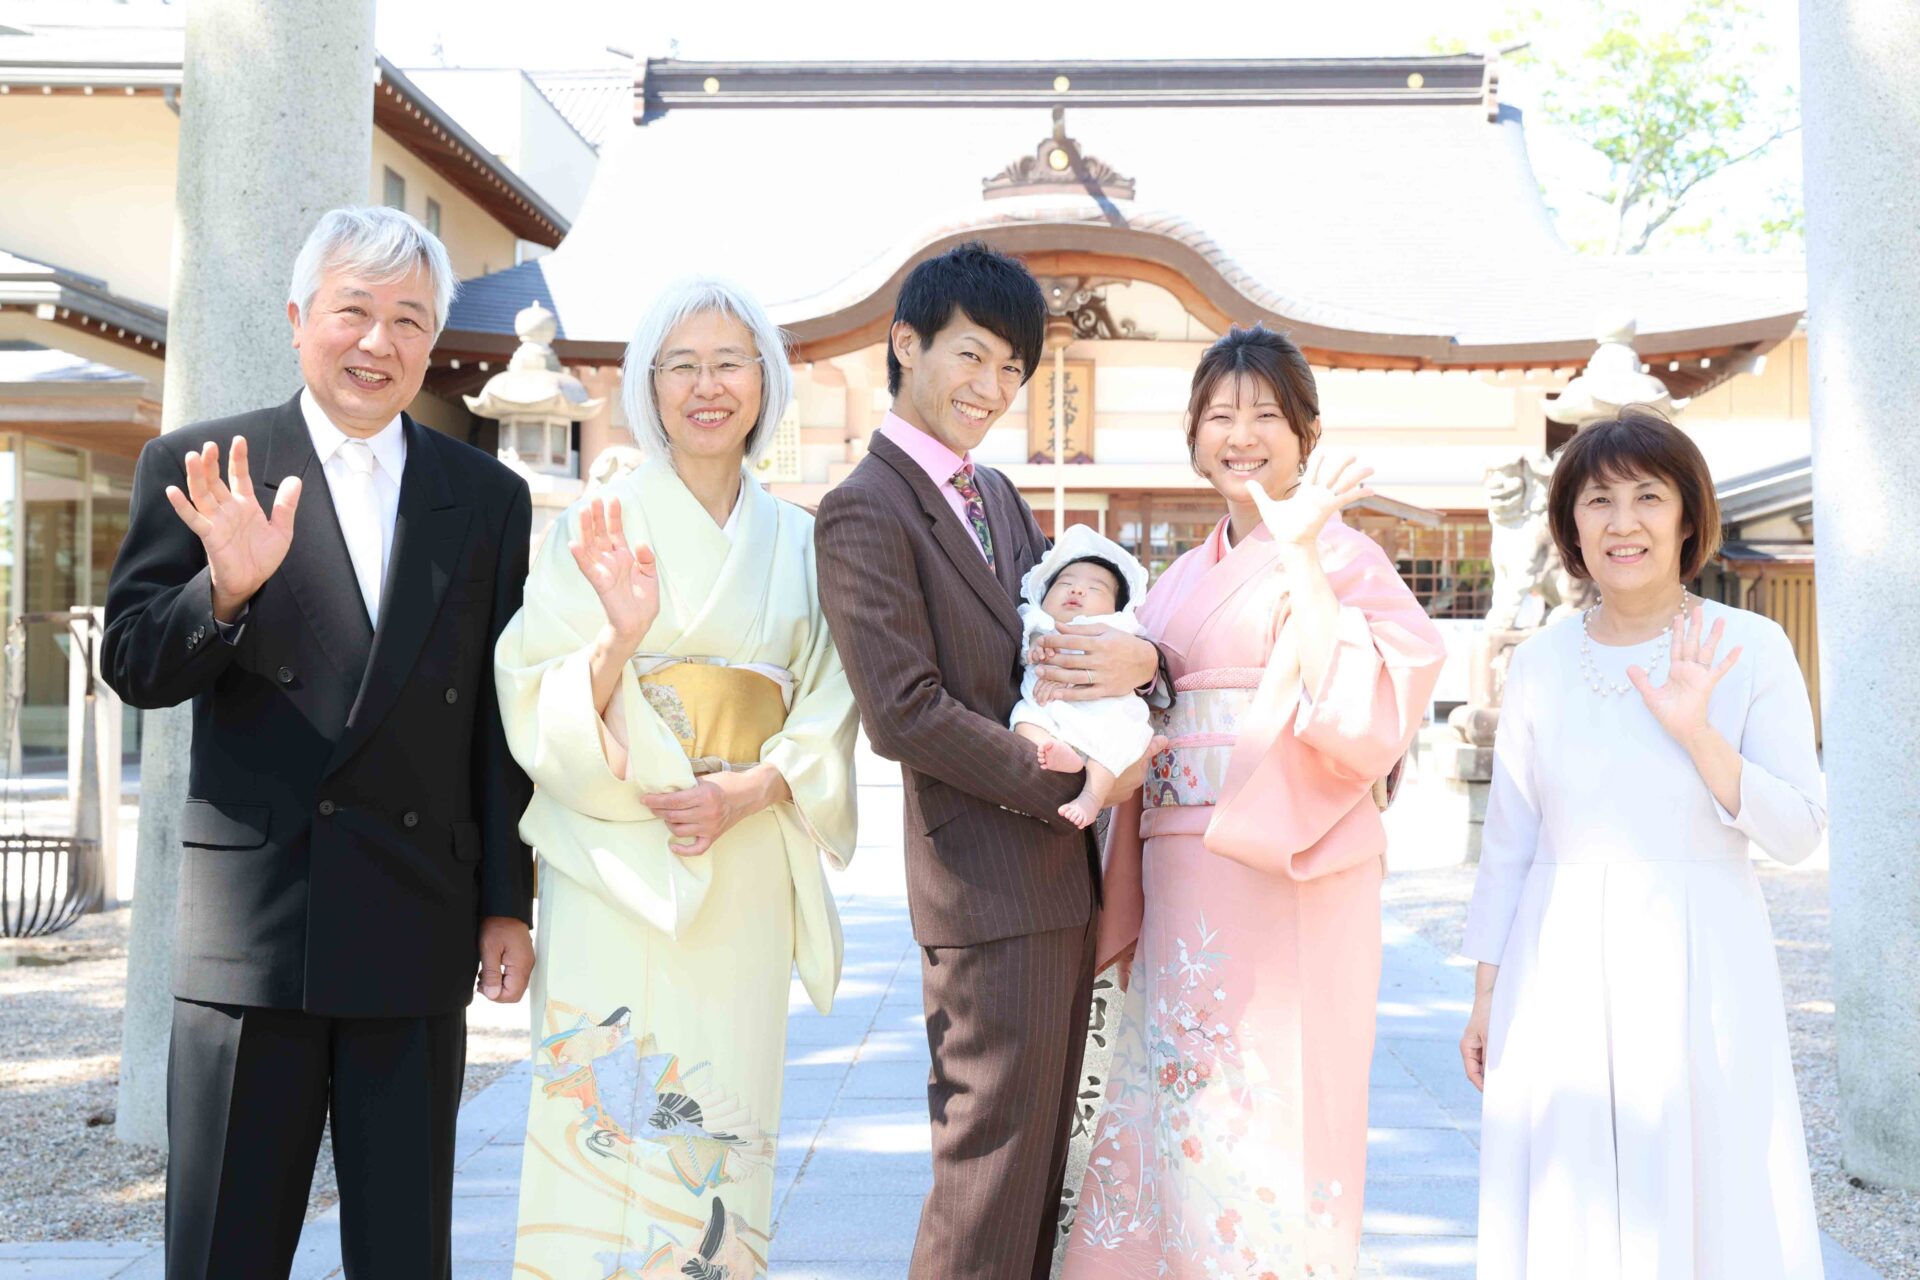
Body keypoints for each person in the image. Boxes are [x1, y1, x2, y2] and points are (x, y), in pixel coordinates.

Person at [101, 206, 534, 1279]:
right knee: (223, 1253)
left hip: (416, 915)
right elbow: (136, 664)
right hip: (255, 932)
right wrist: (226, 585)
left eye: (408, 319)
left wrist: (507, 900)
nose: (377, 342)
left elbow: (495, 711)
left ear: (434, 343)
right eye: (353, 311)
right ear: (300, 319)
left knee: (402, 1252)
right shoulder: (204, 465)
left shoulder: (485, 496)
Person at [1062, 324, 1445, 1279]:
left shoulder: (1345, 554)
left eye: (1266, 415)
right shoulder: (1178, 580)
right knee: (1183, 1096)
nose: (1243, 435)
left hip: (1291, 868)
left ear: (1304, 433)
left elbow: (1366, 715)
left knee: (1281, 1098)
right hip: (1182, 864)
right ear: (1193, 436)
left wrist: (1306, 556)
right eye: (1221, 415)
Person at [494, 277, 858, 1278]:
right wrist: (620, 636)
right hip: (615, 848)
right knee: (608, 1096)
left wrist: (750, 788)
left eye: (730, 361)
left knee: (722, 1106)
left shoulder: (800, 537)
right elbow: (533, 683)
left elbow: (831, 696)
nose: (708, 385)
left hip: (740, 855)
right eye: (682, 364)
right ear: (649, 386)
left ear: (766, 382)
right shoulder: (600, 518)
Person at [814, 242, 1162, 1279]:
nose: (992, 387)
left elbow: (1073, 623)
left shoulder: (998, 496)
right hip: (984, 885)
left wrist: (1144, 661)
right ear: (906, 343)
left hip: (1058, 884)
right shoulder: (863, 508)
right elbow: (905, 711)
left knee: (1040, 1175)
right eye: (973, 355)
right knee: (988, 1178)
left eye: (1014, 369)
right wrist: (1067, 780)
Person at [1457, 409, 1826, 1280]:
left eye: (1648, 497)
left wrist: (1701, 734)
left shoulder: (1751, 645)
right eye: (1598, 501)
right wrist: (1485, 994)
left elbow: (1801, 833)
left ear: (1687, 517)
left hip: (1701, 960)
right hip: (1559, 967)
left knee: (1703, 1191)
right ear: (1571, 527)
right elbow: (1510, 844)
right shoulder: (1543, 662)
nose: (1623, 522)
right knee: (1568, 1188)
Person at [1010, 524, 1163, 827]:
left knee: (1118, 739)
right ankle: (1059, 754)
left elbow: (1138, 655)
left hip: (1103, 710)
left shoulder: (1119, 628)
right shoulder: (1037, 621)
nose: (1077, 590)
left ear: (1117, 607)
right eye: (1065, 583)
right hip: (1048, 707)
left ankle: (1091, 796)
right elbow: (1026, 649)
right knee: (1022, 719)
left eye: (1095, 589)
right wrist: (1038, 651)